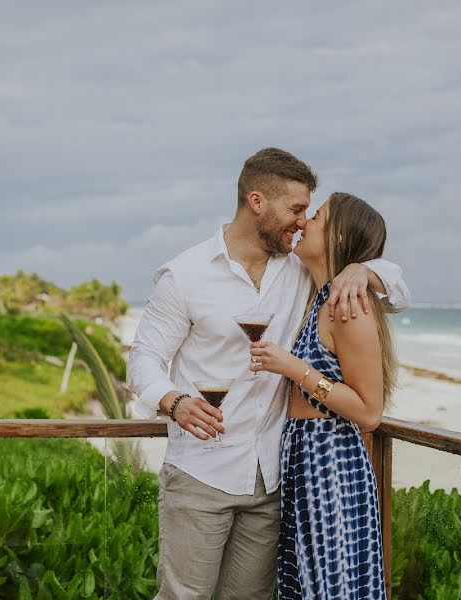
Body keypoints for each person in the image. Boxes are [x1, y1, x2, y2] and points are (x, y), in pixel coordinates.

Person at [127, 148, 409, 599]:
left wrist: (364, 269)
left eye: (308, 213)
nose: (301, 222)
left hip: (275, 478)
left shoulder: (298, 269)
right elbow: (142, 358)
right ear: (257, 201)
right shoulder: (185, 276)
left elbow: (394, 289)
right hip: (202, 472)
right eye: (296, 209)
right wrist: (174, 402)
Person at [250, 192, 395, 599]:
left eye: (316, 216)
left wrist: (293, 368)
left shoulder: (348, 307)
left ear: (339, 234)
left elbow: (369, 412)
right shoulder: (321, 297)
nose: (303, 223)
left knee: (328, 587)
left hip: (332, 464)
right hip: (304, 458)